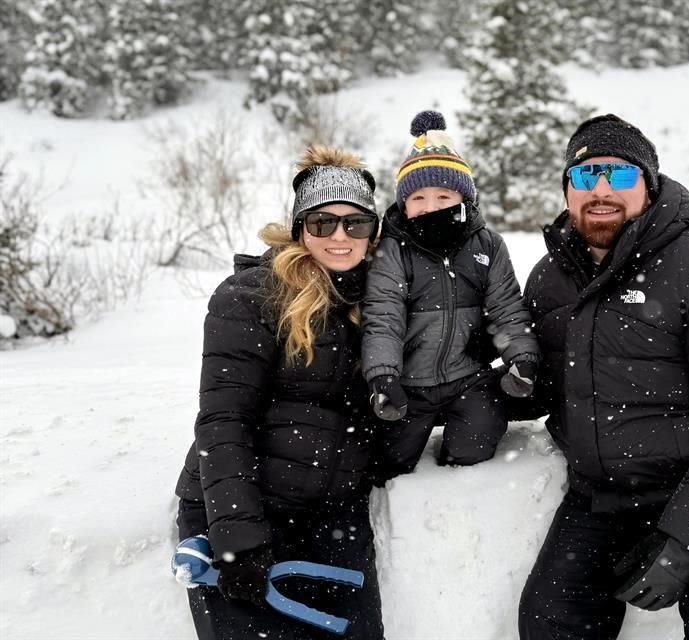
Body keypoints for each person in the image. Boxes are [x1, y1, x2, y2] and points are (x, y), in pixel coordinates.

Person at [516, 114, 689, 640]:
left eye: (619, 176)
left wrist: (686, 541)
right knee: (549, 621)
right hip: (602, 496)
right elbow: (546, 388)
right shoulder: (551, 278)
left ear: (649, 184)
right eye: (584, 176)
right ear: (567, 189)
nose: (600, 190)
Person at [172, 145, 386, 639]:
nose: (339, 236)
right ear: (298, 229)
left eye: (355, 224)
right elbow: (224, 421)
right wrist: (237, 537)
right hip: (245, 506)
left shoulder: (381, 301)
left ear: (373, 233)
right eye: (321, 223)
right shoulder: (251, 297)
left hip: (331, 515)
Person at [362, 110, 539, 478]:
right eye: (419, 198)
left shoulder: (487, 245)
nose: (431, 207)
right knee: (390, 461)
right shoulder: (393, 249)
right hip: (409, 383)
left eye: (444, 195)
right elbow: (383, 317)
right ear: (403, 204)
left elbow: (508, 307)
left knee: (478, 440)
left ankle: (462, 484)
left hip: (468, 377)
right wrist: (383, 376)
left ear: (464, 199)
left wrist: (521, 356)